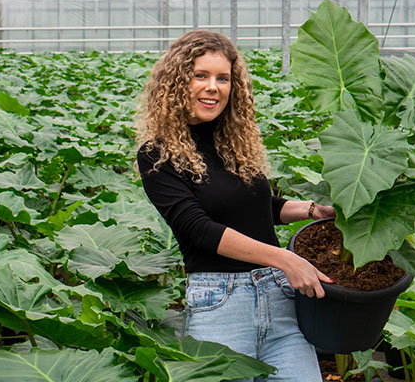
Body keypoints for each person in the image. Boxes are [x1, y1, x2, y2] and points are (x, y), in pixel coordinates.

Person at [135, 30, 336, 381]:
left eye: (223, 78)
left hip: (279, 299)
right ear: (177, 81)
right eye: (200, 75)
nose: (213, 87)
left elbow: (258, 207)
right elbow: (199, 229)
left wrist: (308, 210)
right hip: (220, 306)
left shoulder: (234, 143)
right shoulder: (156, 154)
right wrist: (286, 258)